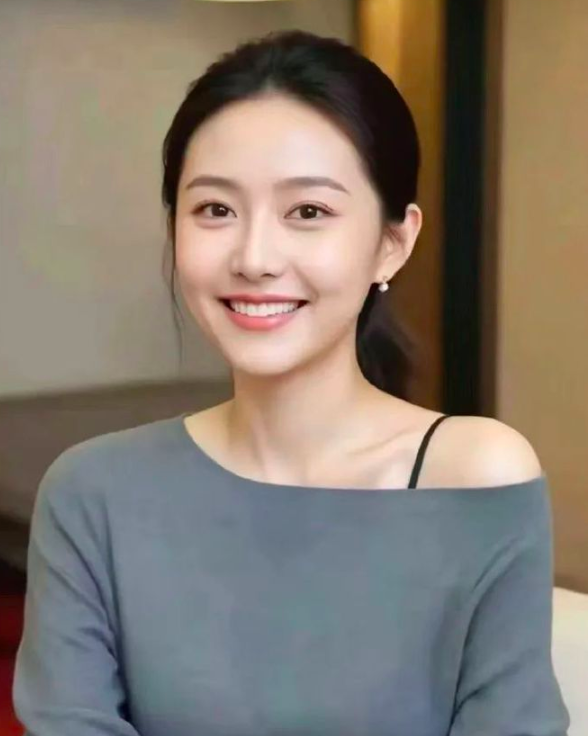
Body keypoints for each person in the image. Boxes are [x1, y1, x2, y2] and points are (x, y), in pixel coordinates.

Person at [13, 29, 569, 736]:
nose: (254, 257)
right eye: (215, 209)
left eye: (308, 212)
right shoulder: (92, 496)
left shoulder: (474, 476)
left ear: (393, 242)